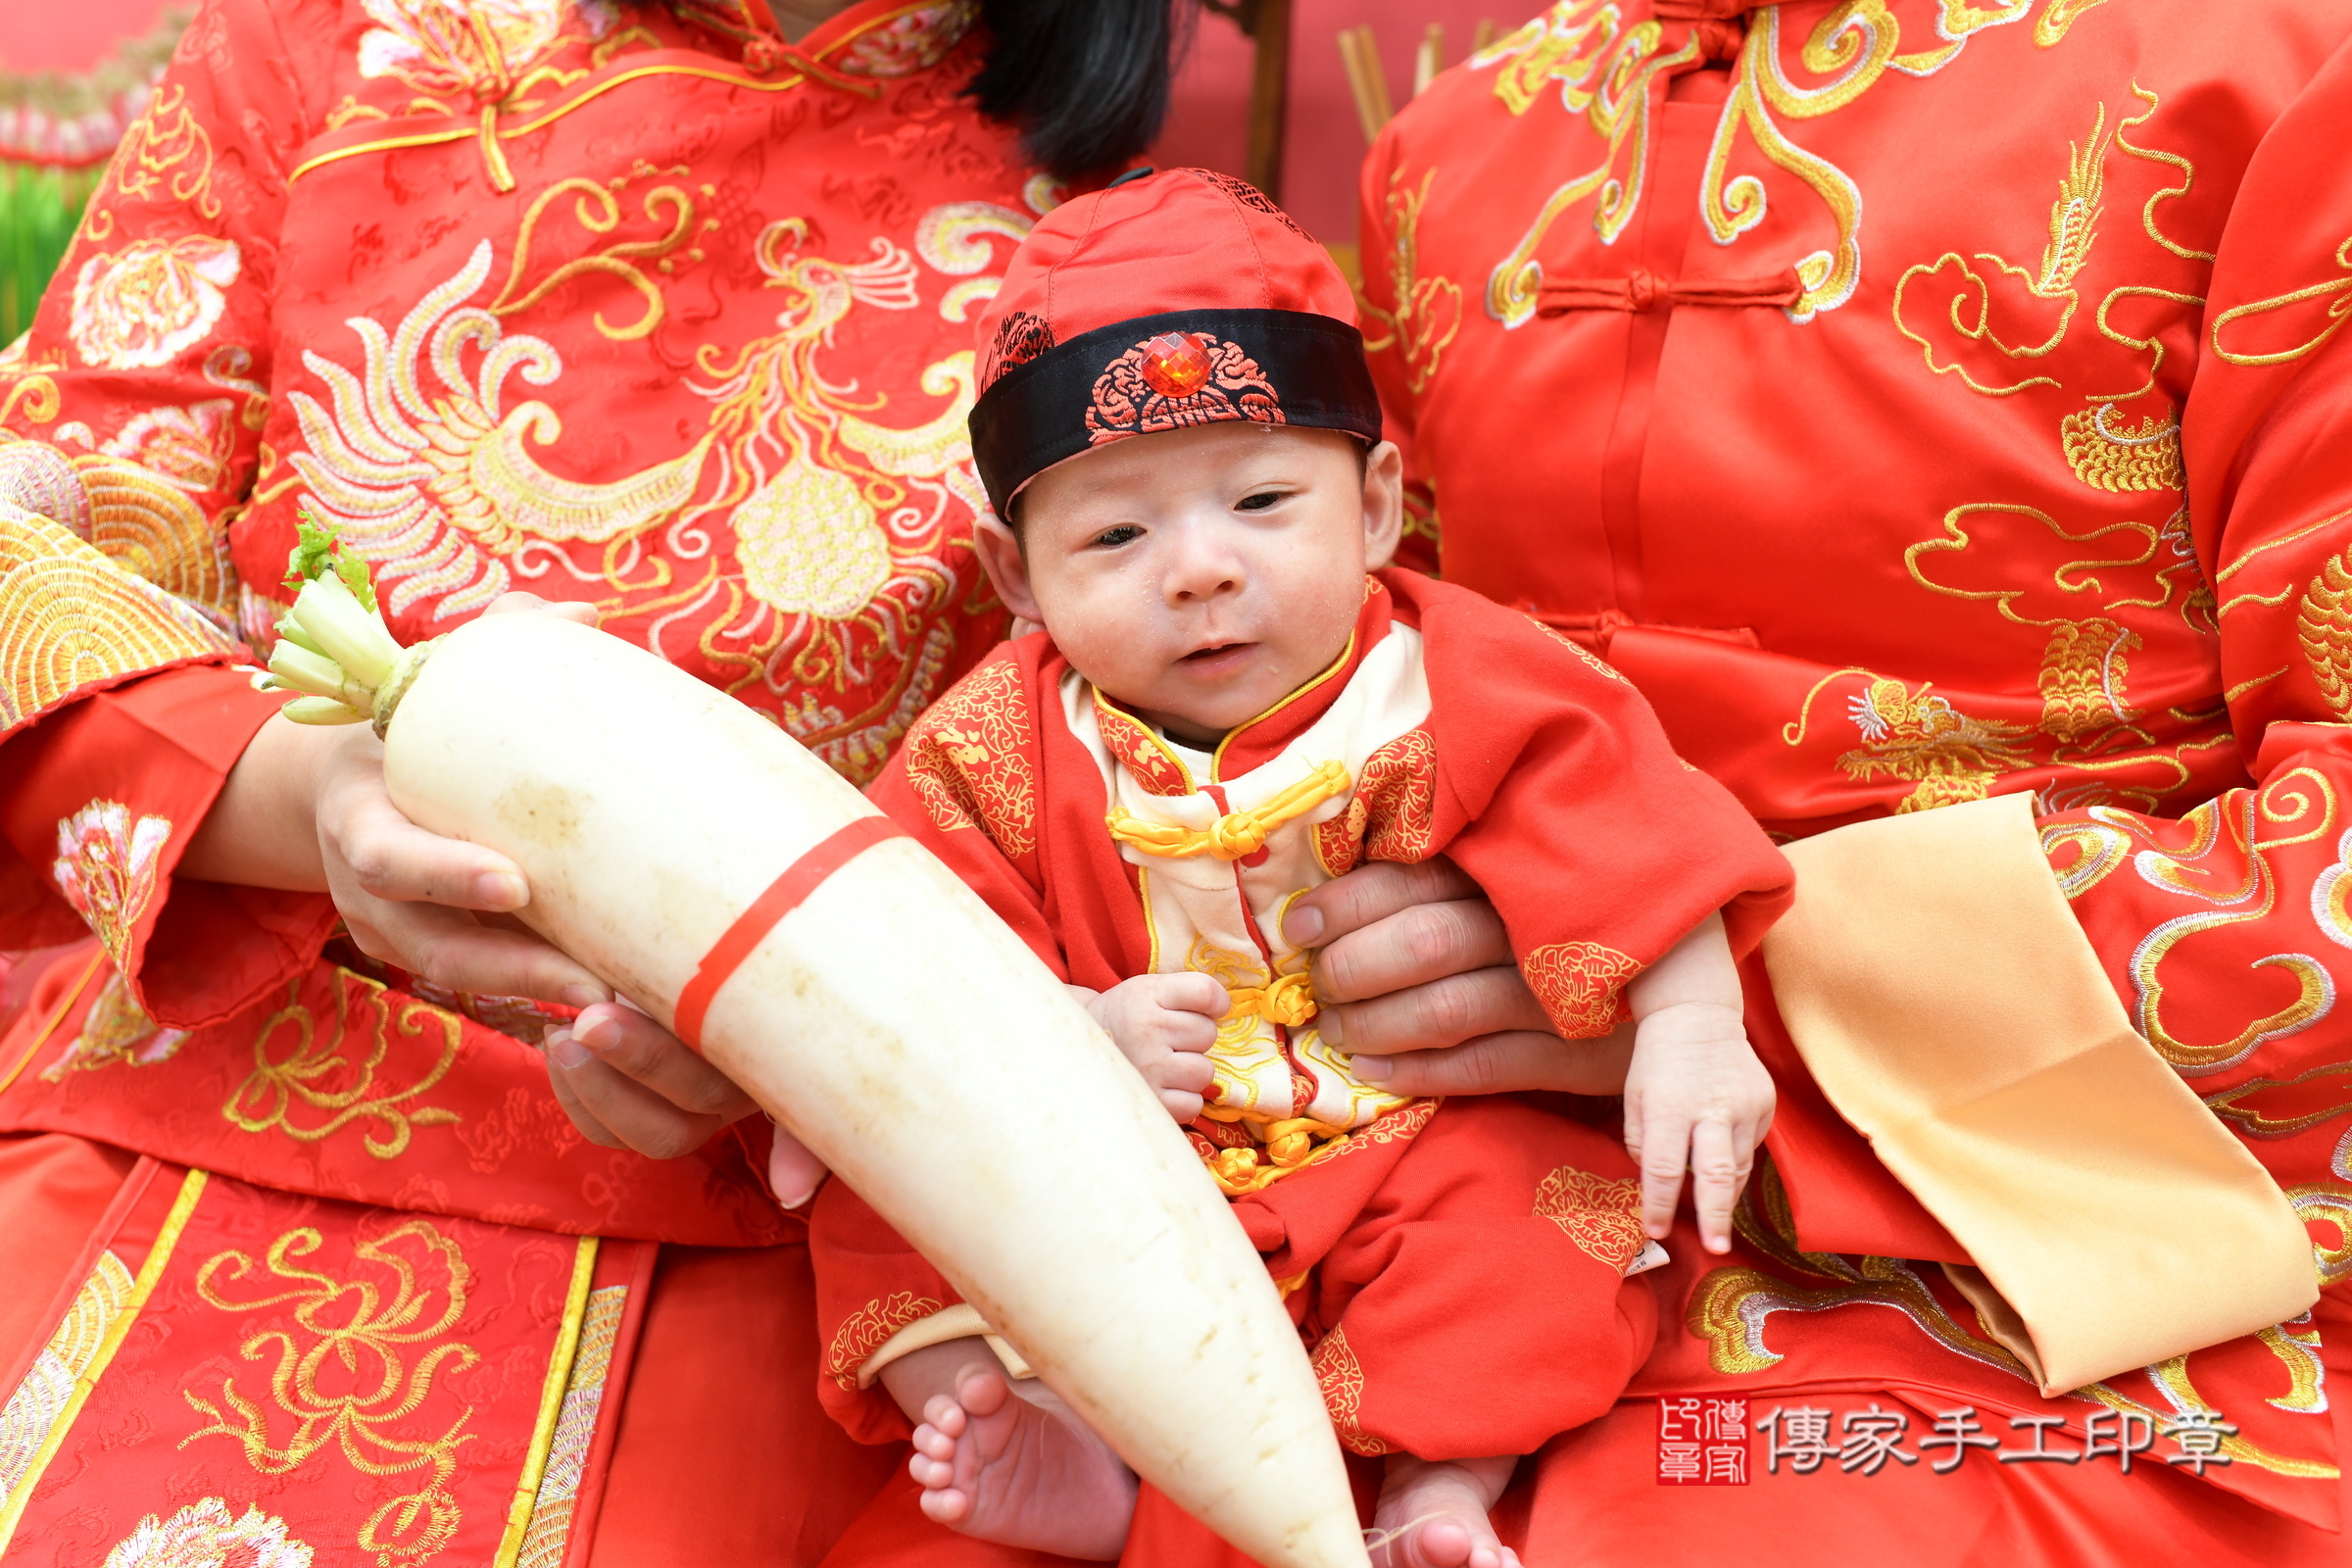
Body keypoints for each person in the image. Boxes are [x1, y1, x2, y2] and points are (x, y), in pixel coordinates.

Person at [0, 2, 1182, 1562]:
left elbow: (1191, 771)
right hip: (215, 1081)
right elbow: (42, 558)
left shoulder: (1120, 238)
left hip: (801, 1223)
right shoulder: (328, 49)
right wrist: (315, 802)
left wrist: (817, 1012)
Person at [1333, 1, 2352, 1562]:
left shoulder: (2278, 71)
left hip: (2064, 1259)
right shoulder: (1455, 139)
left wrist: (1711, 984)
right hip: (1435, 1220)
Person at [804, 169, 1793, 1567]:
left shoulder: (1459, 683)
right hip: (1114, 1159)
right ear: (1019, 578)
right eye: (1115, 535)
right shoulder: (988, 746)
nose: (1199, 571)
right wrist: (1072, 1038)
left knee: (1532, 1218)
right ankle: (1063, 1446)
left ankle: (1438, 1493)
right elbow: (911, 955)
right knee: (882, 1189)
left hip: (1405, 1138)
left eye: (1263, 500)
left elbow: (1632, 831)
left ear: (1379, 504)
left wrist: (1692, 1023)